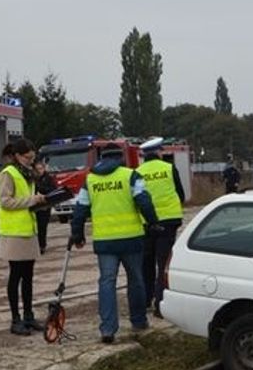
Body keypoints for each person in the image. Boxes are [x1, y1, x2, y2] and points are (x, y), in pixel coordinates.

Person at [70, 142, 158, 343]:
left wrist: (78, 233)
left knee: (107, 282)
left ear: (102, 157)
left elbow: (80, 209)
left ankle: (108, 329)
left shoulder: (90, 179)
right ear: (120, 158)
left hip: (104, 242)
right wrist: (153, 222)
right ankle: (138, 320)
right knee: (136, 280)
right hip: (131, 239)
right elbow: (143, 200)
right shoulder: (130, 175)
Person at [0, 138, 46, 336]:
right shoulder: (8, 174)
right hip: (14, 233)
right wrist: (31, 200)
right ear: (17, 156)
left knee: (29, 276)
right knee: (15, 275)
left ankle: (28, 315)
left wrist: (40, 201)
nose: (30, 161)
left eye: (33, 158)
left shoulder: (27, 174)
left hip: (28, 230)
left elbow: (25, 200)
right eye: (27, 158)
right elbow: (5, 202)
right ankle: (15, 319)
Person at [136, 137, 186, 318]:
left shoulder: (137, 172)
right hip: (168, 222)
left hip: (146, 223)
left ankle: (146, 299)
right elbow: (181, 193)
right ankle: (160, 304)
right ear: (159, 152)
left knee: (145, 263)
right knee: (163, 263)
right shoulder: (169, 168)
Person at [32, 158, 58, 254]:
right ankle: (36, 245)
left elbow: (53, 189)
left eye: (41, 169)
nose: (39, 171)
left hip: (45, 206)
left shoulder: (48, 178)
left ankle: (42, 245)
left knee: (42, 227)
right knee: (35, 227)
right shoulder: (33, 179)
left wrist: (42, 189)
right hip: (35, 206)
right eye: (37, 169)